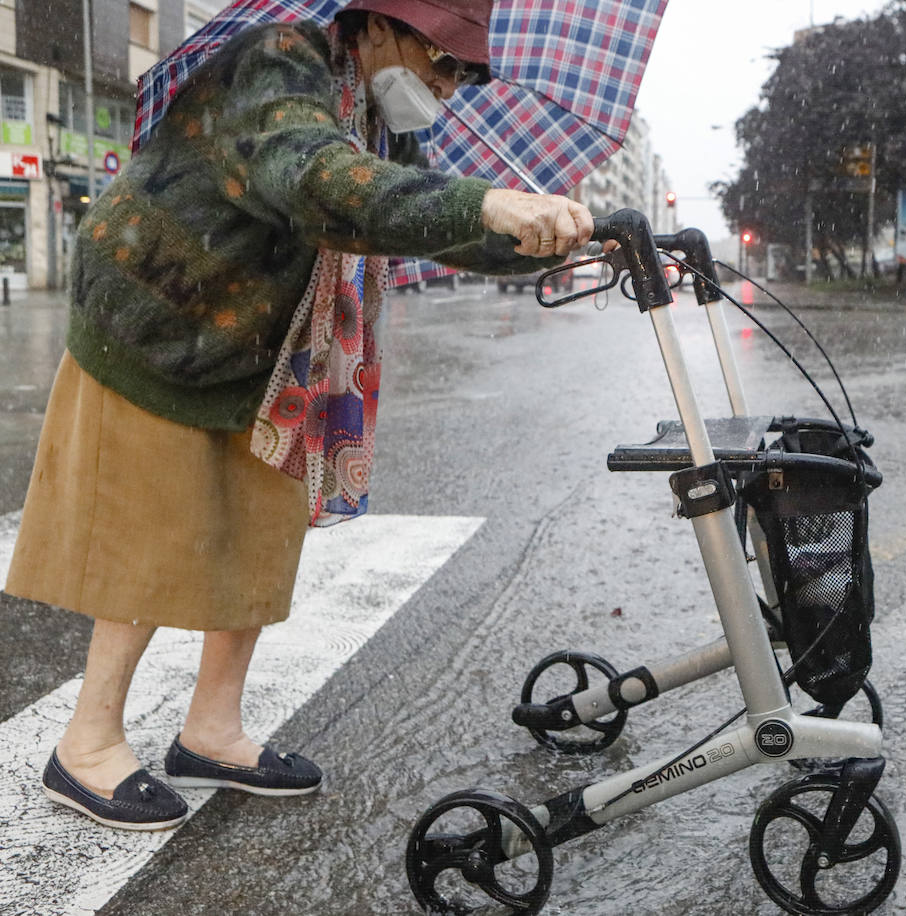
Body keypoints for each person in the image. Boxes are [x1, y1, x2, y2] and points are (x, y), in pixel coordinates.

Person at [4, 0, 595, 830]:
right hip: (160, 316)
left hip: (266, 347)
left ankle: (211, 731)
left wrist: (559, 235)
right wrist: (488, 203)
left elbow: (412, 215)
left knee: (258, 532)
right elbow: (316, 179)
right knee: (149, 531)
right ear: (380, 25)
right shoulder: (279, 59)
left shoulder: (380, 114)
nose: (448, 83)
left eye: (463, 71)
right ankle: (87, 743)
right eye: (443, 59)